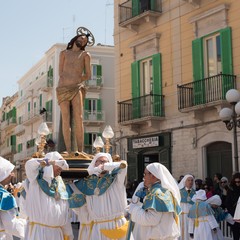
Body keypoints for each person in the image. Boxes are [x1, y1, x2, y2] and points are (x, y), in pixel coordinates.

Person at [68, 152, 130, 240]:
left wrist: (103, 167)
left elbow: (123, 165)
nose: (103, 163)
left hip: (117, 225)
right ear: (94, 163)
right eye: (100, 161)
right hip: (97, 228)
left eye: (105, 161)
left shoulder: (116, 180)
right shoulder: (87, 184)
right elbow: (71, 192)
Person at [56, 31, 92, 154]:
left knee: (79, 118)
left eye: (85, 41)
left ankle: (80, 150)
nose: (83, 41)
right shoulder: (63, 53)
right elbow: (60, 71)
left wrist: (77, 78)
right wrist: (67, 79)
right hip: (62, 88)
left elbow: (88, 74)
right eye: (81, 38)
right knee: (65, 118)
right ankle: (69, 150)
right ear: (76, 38)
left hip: (76, 88)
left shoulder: (85, 55)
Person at [24, 151, 73, 240]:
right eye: (59, 164)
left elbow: (64, 211)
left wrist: (68, 233)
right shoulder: (36, 179)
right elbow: (29, 164)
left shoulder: (60, 184)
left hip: (57, 233)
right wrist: (49, 162)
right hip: (39, 233)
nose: (61, 168)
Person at [128, 162, 181, 240]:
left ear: (153, 175)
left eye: (145, 174)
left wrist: (133, 209)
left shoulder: (156, 193)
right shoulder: (164, 191)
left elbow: (151, 219)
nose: (144, 178)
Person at [0, 156, 26, 240]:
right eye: (10, 172)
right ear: (3, 174)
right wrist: (31, 228)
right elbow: (11, 225)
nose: (13, 174)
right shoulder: (4, 196)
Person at [178, 174, 196, 240]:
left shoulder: (195, 193)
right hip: (181, 216)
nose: (190, 182)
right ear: (184, 181)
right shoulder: (179, 192)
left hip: (191, 217)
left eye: (192, 180)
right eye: (188, 180)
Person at [226, 172, 240, 240]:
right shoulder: (231, 190)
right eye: (236, 182)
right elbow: (228, 203)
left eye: (239, 181)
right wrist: (233, 214)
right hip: (235, 216)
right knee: (236, 235)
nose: (237, 183)